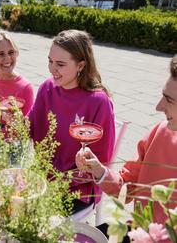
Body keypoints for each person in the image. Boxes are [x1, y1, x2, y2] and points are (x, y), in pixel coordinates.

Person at [75, 56, 177, 226]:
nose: (158, 107)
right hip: (139, 230)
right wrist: (99, 170)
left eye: (169, 100)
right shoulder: (159, 132)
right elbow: (127, 189)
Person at [28, 29, 115, 213]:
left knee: (30, 221)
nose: (52, 69)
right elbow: (30, 125)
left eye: (60, 64)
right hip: (42, 177)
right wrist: (10, 121)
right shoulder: (47, 88)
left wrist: (66, 177)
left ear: (81, 65)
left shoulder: (99, 102)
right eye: (50, 61)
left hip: (77, 189)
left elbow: (100, 160)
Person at [0, 32, 34, 116]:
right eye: (1, 54)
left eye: (11, 52)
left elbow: (29, 124)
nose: (7, 58)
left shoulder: (25, 87)